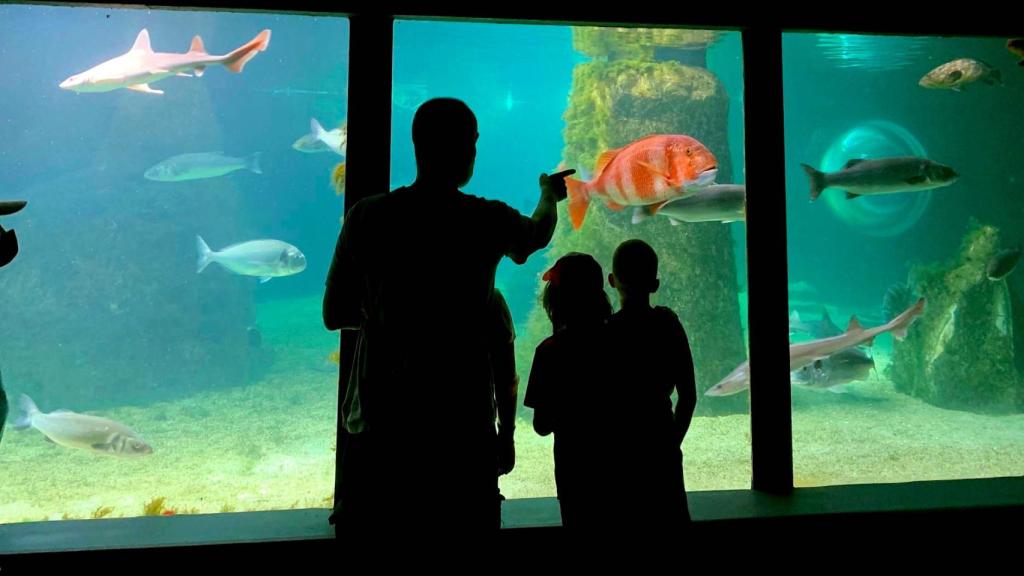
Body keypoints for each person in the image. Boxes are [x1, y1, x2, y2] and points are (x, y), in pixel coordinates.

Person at [322, 97, 572, 531]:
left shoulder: (367, 216)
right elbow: (537, 234)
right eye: (472, 142)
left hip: (382, 423)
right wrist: (549, 195)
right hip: (461, 424)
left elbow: (334, 312)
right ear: (467, 150)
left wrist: (388, 313)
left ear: (417, 146)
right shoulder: (485, 219)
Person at [605, 239, 696, 528]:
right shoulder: (668, 324)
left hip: (620, 452)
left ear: (611, 281)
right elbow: (688, 396)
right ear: (655, 284)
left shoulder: (607, 332)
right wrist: (671, 443)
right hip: (660, 439)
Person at [524, 252, 613, 529]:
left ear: (555, 302)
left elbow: (541, 425)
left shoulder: (549, 352)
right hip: (622, 464)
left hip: (574, 469)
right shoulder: (622, 342)